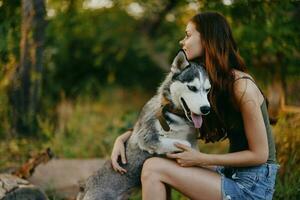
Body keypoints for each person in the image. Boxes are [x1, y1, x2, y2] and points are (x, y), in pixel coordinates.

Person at [111, 11, 279, 200]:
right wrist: (124, 138)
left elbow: (260, 155)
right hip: (231, 174)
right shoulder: (208, 82)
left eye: (188, 35)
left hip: (252, 186)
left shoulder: (241, 86)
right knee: (158, 161)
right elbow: (164, 115)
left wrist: (202, 159)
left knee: (154, 169)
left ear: (207, 39)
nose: (182, 42)